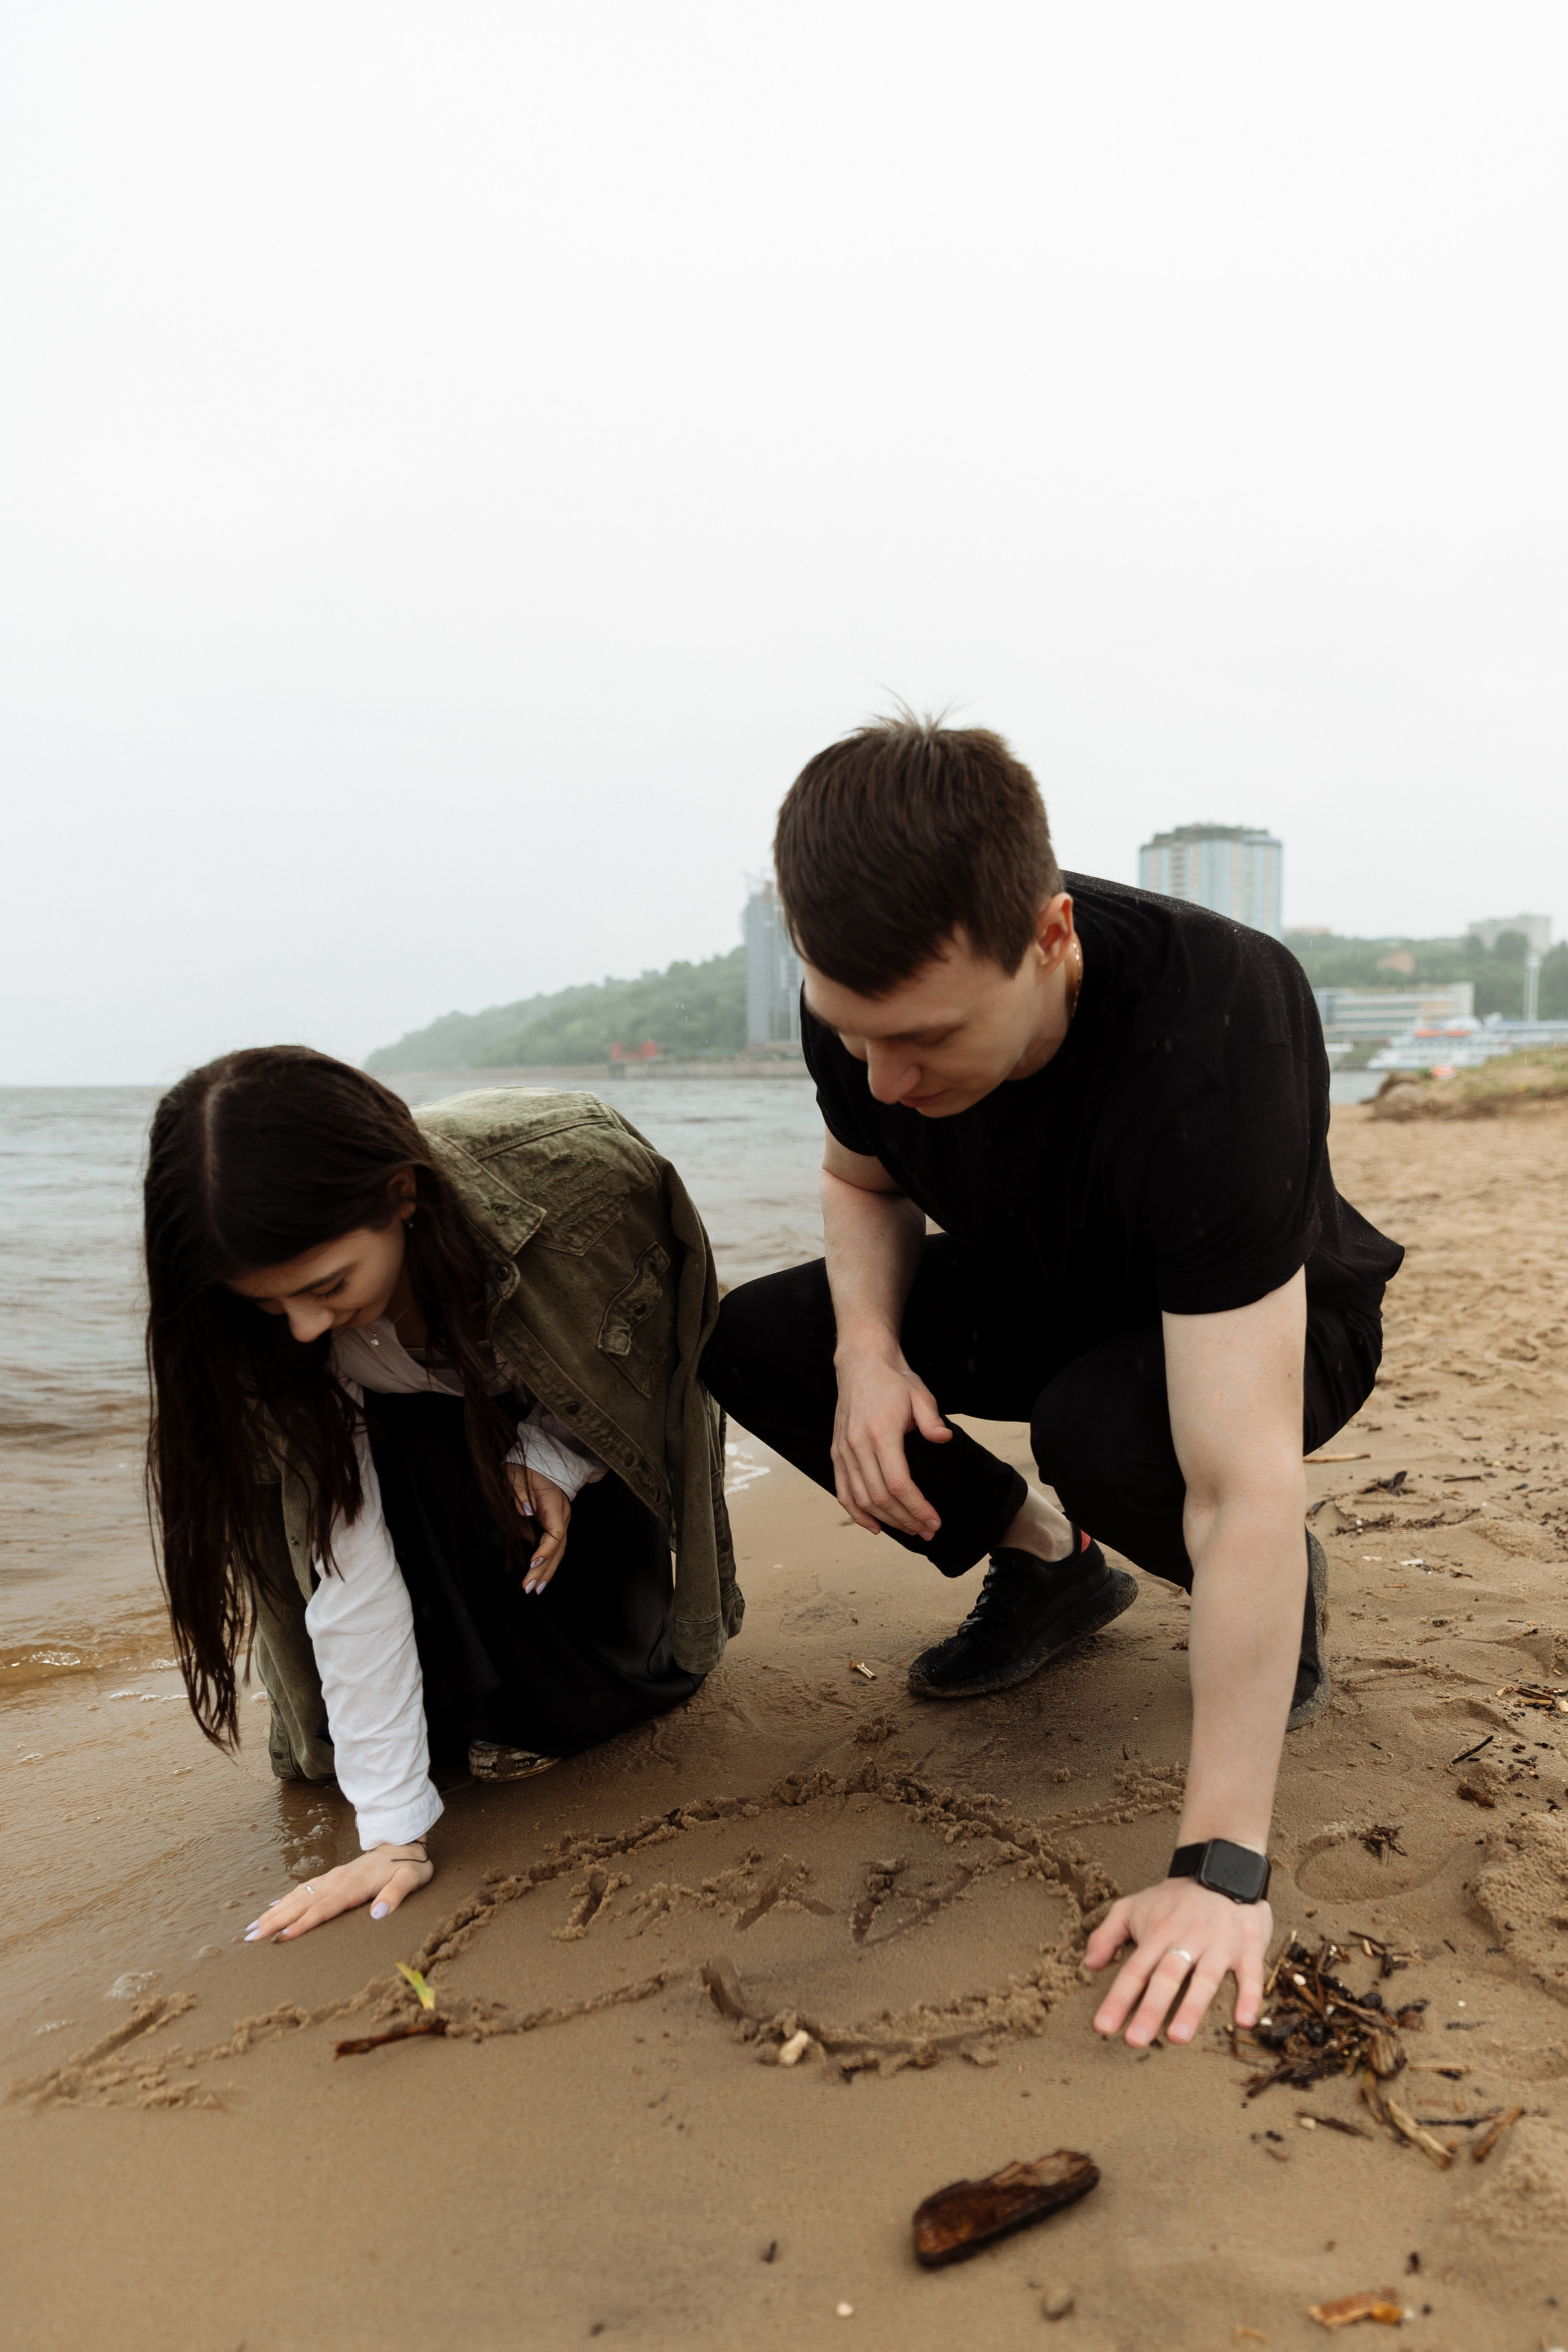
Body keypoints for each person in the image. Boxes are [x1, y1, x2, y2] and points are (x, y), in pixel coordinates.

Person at [703, 715, 1400, 2052]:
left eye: (923, 1039)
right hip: (1050, 1280)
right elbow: (862, 1183)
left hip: (1277, 1321)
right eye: (856, 1039)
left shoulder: (1217, 1021)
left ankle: (1278, 1600)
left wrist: (1221, 1871)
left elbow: (1237, 1475)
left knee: (1107, 1429)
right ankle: (1048, 1564)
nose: (887, 1080)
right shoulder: (859, 1010)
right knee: (760, 1340)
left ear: (1051, 939)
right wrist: (867, 1356)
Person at [144, 1047, 739, 1942]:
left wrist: (552, 1454)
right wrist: (392, 1833)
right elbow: (346, 1556)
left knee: (586, 1686)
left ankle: (568, 1674)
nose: (304, 1327)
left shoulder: (583, 1183)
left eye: (326, 1287)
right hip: (443, 1515)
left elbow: (657, 1380)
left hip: (588, 1509)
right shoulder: (276, 1339)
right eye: (273, 1309)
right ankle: (467, 1713)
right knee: (411, 1457)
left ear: (402, 1196)